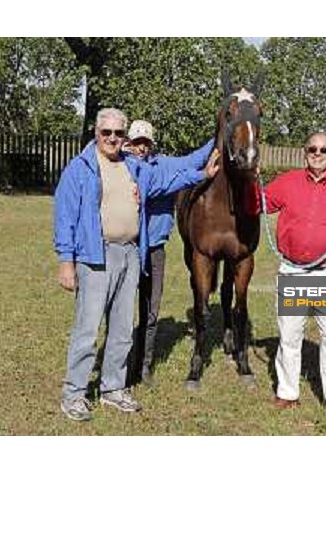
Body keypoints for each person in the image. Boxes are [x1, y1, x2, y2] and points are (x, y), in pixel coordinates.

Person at [54, 108, 219, 421]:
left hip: (131, 254)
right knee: (87, 330)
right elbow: (65, 217)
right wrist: (66, 262)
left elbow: (174, 177)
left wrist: (203, 174)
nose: (113, 139)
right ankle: (74, 394)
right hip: (94, 255)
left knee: (121, 329)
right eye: (107, 133)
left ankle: (113, 389)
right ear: (97, 133)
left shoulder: (134, 167)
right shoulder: (80, 168)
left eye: (118, 133)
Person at [254, 132, 326, 416]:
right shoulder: (287, 182)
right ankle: (287, 393)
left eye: (324, 149)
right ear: (305, 152)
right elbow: (256, 203)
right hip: (292, 272)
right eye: (312, 148)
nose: (318, 153)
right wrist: (249, 177)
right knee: (289, 337)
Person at [127, 119, 207, 387]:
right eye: (136, 142)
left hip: (155, 249)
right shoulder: (122, 166)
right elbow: (155, 187)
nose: (141, 147)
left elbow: (194, 159)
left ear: (151, 144)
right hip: (127, 247)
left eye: (145, 142)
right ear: (129, 142)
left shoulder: (164, 163)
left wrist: (219, 137)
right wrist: (199, 176)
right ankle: (123, 363)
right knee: (123, 310)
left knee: (151, 310)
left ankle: (144, 365)